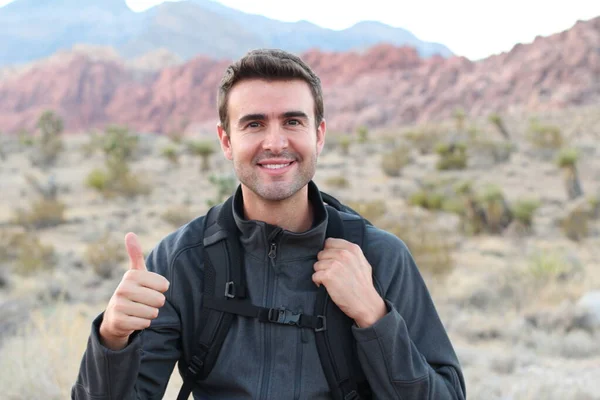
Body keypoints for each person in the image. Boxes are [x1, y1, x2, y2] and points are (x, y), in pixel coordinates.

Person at [72, 48, 466, 400]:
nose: (275, 142)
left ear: (319, 135)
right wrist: (112, 340)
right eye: (254, 124)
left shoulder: (380, 257)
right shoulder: (183, 261)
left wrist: (376, 318)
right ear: (226, 141)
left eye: (293, 122)